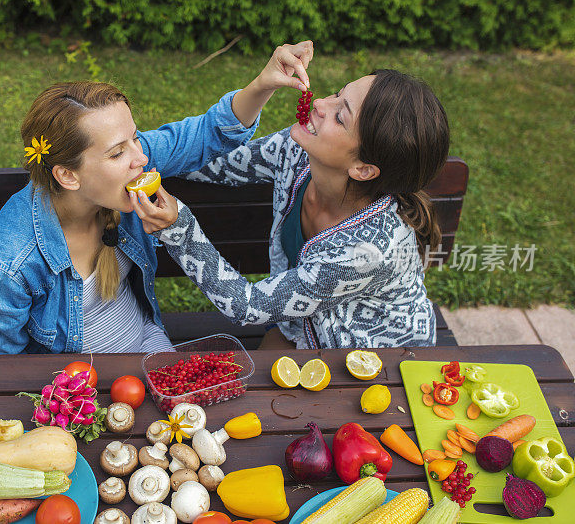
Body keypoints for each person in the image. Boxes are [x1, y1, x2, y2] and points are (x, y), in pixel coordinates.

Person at [0, 41, 315, 354]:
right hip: (76, 392)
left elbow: (209, 132)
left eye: (135, 138)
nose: (142, 158)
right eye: (117, 152)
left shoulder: (124, 173)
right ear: (68, 176)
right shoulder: (5, 268)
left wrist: (263, 82)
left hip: (148, 344)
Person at [132, 62, 450, 349]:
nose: (320, 103)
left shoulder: (369, 251)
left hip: (373, 365)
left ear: (363, 169)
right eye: (337, 94)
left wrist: (179, 229)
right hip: (299, 328)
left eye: (340, 116)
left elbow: (248, 306)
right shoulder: (299, 152)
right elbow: (217, 163)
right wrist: (133, 154)